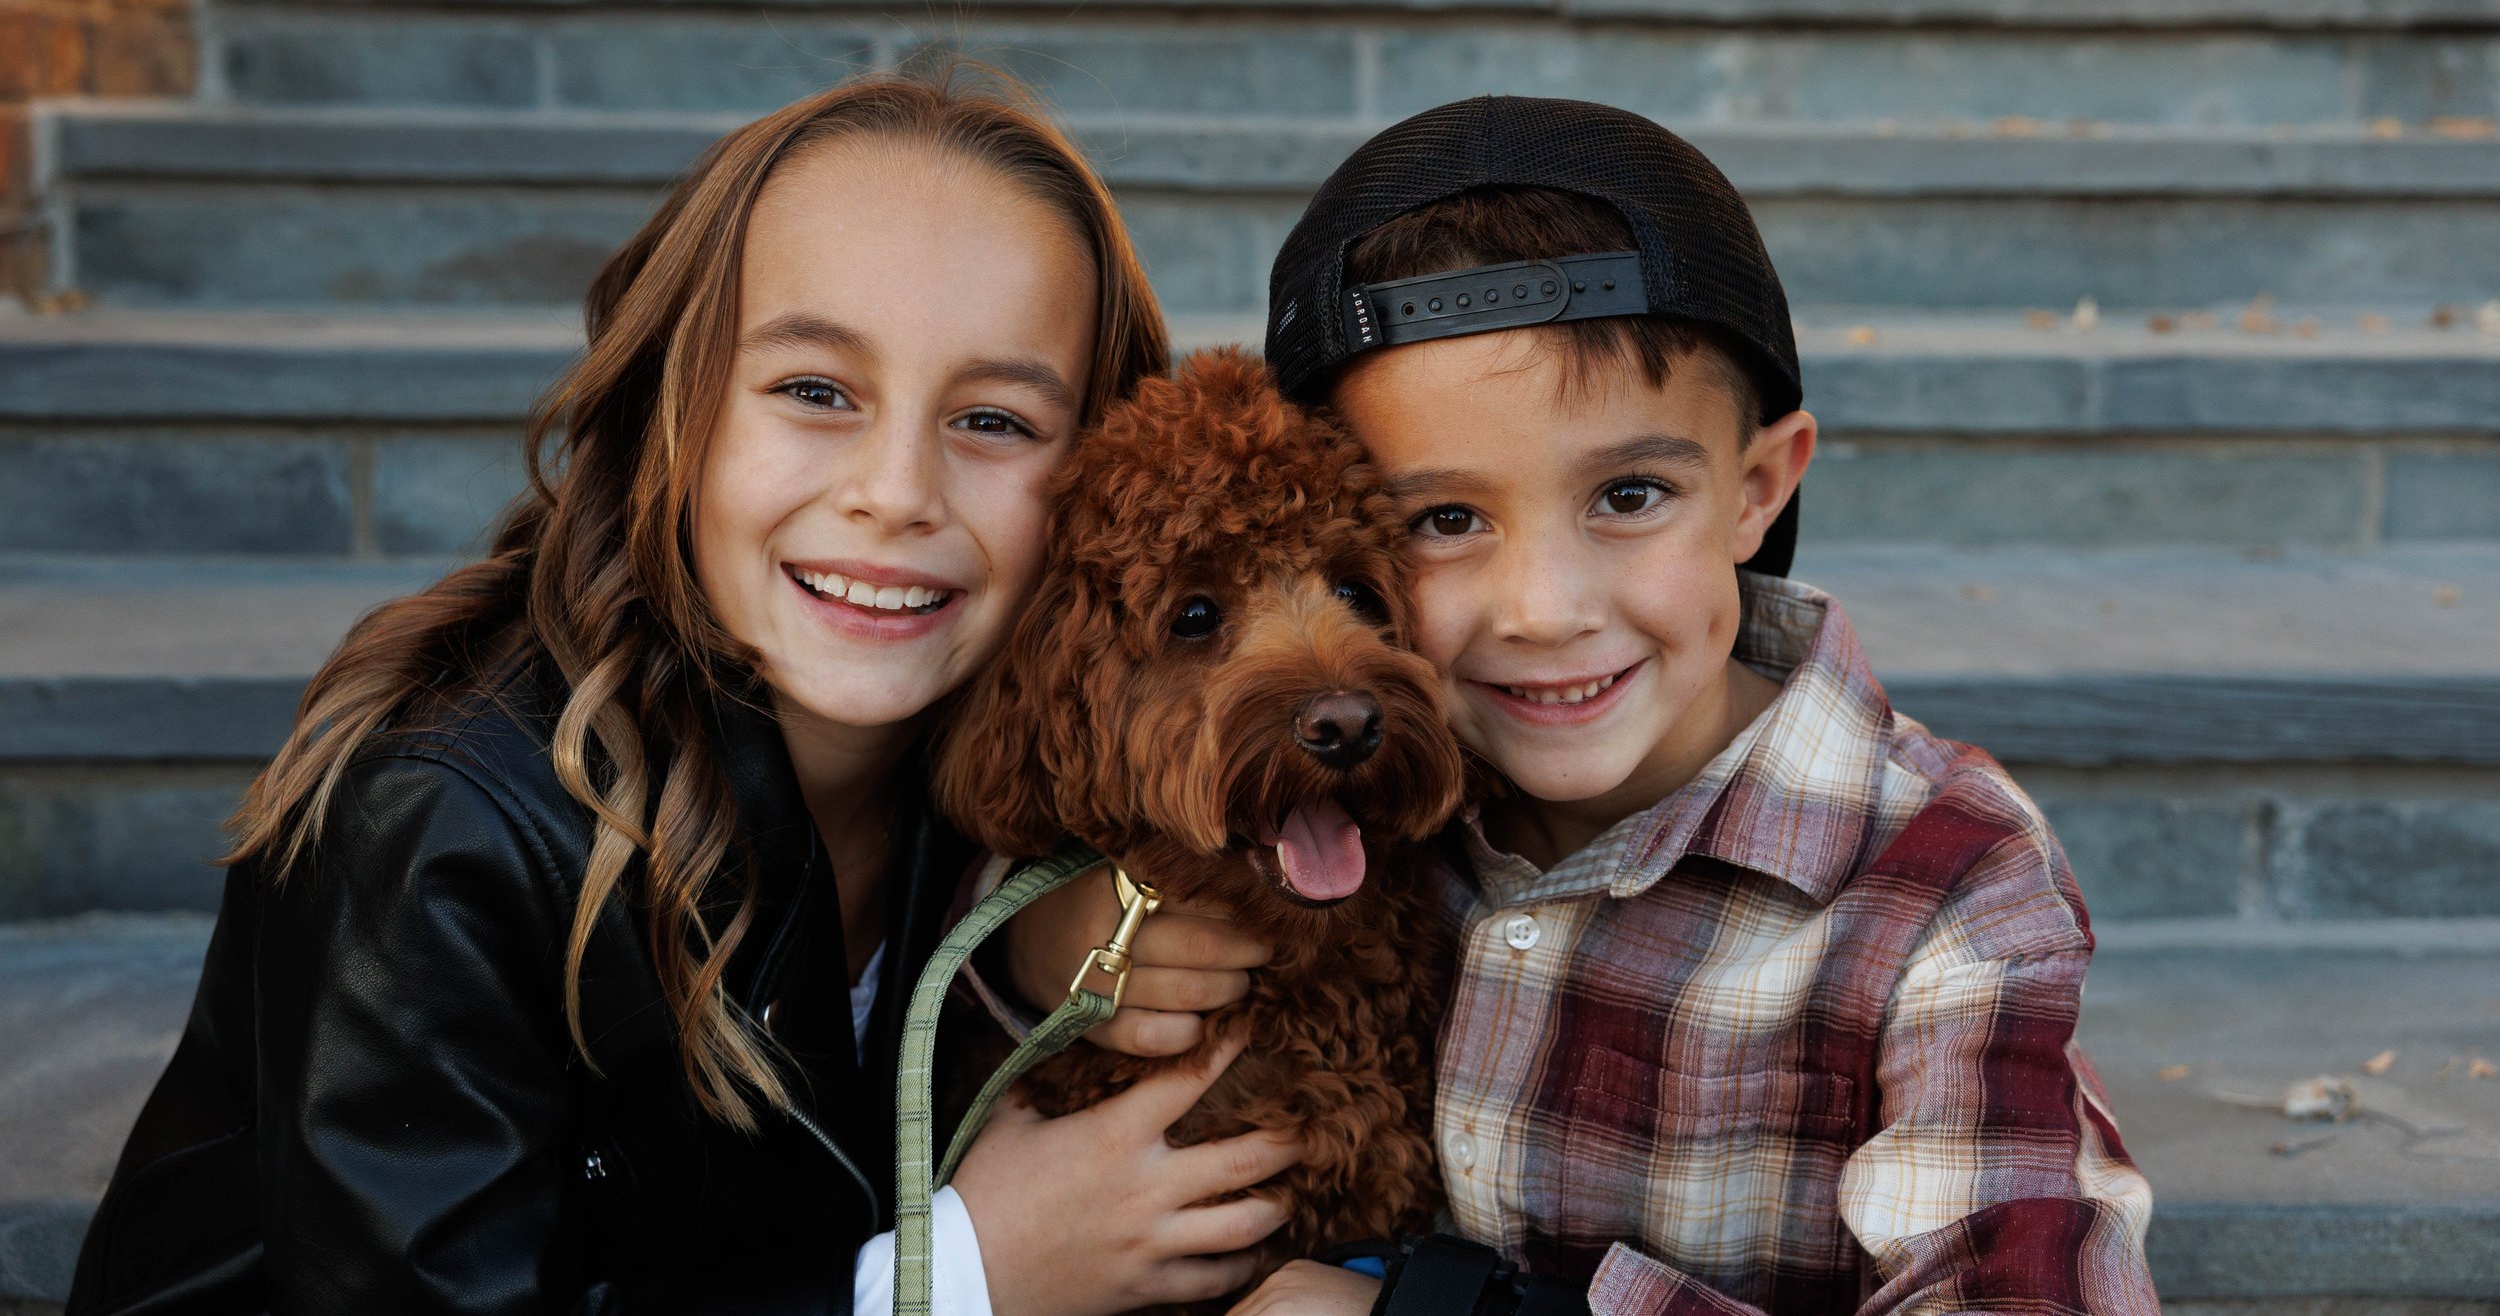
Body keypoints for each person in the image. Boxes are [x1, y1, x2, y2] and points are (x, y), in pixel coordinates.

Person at [67, 73, 1303, 1316]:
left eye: (993, 417)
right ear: (676, 404)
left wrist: (1019, 946)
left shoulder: (1020, 764)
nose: (897, 489)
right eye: (816, 390)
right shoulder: (444, 823)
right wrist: (956, 1278)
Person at [1005, 97, 2160, 1316]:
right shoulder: (1347, 806)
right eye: (1440, 520)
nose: (1545, 608)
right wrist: (1044, 939)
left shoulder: (1945, 886)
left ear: (1757, 488)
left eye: (1630, 493)